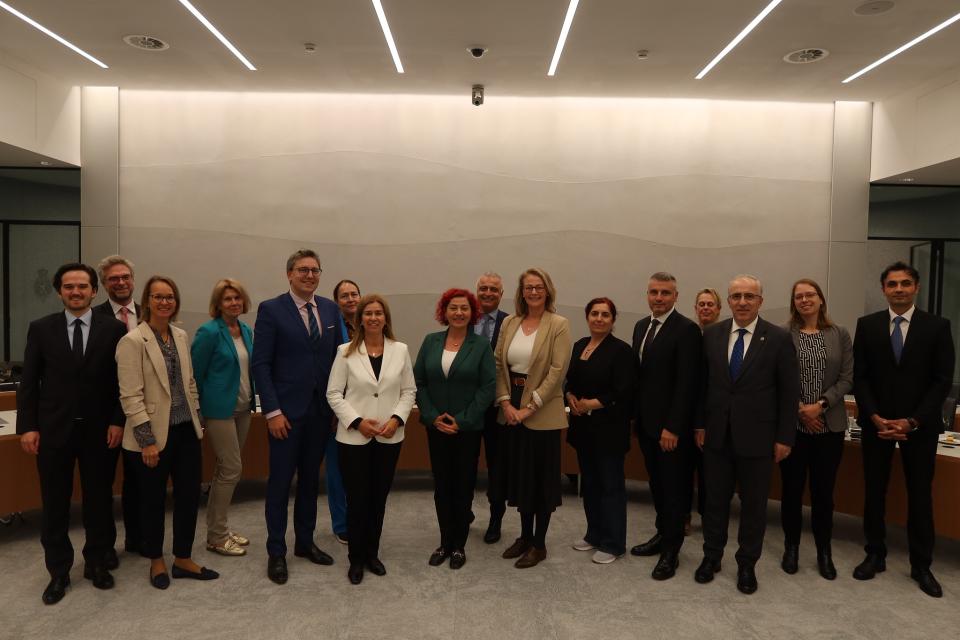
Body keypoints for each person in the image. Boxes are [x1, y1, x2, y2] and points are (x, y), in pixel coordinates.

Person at [17, 263, 127, 605]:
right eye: (69, 287)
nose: (76, 292)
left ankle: (96, 563)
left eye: (82, 286)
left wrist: (117, 420)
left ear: (94, 291)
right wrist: (28, 426)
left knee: (98, 501)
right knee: (55, 505)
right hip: (53, 432)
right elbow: (29, 383)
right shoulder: (41, 329)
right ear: (60, 291)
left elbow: (121, 382)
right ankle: (59, 571)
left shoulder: (113, 330)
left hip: (100, 432)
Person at [852, 261, 955, 598]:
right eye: (892, 284)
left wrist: (913, 421)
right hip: (877, 425)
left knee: (920, 496)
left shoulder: (937, 327)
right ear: (883, 289)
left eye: (905, 283)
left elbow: (942, 381)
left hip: (919, 427)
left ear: (916, 287)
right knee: (874, 491)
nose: (899, 289)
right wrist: (875, 416)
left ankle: (921, 565)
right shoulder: (867, 326)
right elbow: (861, 377)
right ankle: (875, 554)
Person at [694, 274, 798, 595]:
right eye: (736, 296)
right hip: (716, 437)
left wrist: (784, 438)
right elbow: (701, 385)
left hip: (759, 440)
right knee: (714, 502)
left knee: (753, 507)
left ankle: (746, 564)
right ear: (729, 300)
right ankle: (711, 556)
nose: (742, 302)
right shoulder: (712, 334)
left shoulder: (778, 338)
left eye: (748, 297)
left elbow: (788, 392)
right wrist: (699, 425)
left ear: (760, 301)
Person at [117, 275, 218, 589]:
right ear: (147, 301)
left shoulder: (181, 335)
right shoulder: (133, 341)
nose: (165, 302)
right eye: (158, 297)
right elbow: (130, 397)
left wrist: (197, 416)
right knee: (152, 500)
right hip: (151, 437)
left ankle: (183, 558)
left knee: (189, 496)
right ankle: (156, 561)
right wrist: (147, 441)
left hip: (185, 431)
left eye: (170, 297)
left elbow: (189, 383)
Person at [252, 249, 344, 584]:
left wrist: (336, 409)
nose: (309, 275)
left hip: (320, 414)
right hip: (285, 416)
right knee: (279, 484)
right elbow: (260, 364)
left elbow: (338, 363)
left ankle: (304, 543)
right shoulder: (271, 310)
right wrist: (272, 411)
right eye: (302, 270)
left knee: (309, 483)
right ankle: (276, 551)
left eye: (314, 270)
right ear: (289, 274)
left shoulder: (331, 310)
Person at [327, 294, 416, 584]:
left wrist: (396, 419)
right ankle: (355, 559)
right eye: (368, 314)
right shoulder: (345, 352)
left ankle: (372, 554)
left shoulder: (400, 350)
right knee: (357, 500)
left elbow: (408, 391)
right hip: (354, 438)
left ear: (386, 318)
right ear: (360, 319)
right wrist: (357, 422)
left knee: (378, 499)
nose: (374, 318)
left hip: (389, 436)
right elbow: (334, 394)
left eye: (379, 313)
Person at [494, 267, 571, 569]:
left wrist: (530, 407)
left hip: (543, 414)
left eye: (539, 287)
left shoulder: (559, 324)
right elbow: (498, 363)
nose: (534, 292)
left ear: (547, 290)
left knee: (542, 481)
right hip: (511, 410)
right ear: (521, 292)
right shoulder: (510, 322)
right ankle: (525, 536)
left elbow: (557, 370)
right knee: (522, 479)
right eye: (528, 287)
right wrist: (505, 403)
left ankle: (539, 544)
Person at [414, 289, 496, 570]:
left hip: (467, 429)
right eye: (453, 308)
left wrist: (462, 420)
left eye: (464, 308)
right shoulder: (430, 341)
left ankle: (459, 545)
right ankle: (444, 541)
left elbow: (488, 387)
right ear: (444, 312)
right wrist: (432, 416)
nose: (459, 313)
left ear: (472, 312)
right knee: (442, 487)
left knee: (462, 487)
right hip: (436, 427)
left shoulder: (481, 345)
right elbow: (420, 382)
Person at [779, 279, 853, 580]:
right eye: (799, 296)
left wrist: (819, 405)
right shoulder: (783, 335)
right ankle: (791, 548)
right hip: (793, 429)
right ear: (793, 302)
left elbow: (848, 378)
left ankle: (824, 552)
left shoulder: (840, 334)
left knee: (823, 494)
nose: (805, 300)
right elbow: (777, 378)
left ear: (821, 300)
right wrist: (800, 409)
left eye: (810, 295)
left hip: (828, 427)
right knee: (791, 492)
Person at [630, 273, 702, 580]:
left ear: (676, 296)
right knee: (657, 486)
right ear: (647, 294)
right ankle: (662, 535)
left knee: (674, 490)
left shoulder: (686, 330)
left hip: (671, 431)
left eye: (665, 293)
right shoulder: (641, 327)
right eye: (654, 292)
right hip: (646, 426)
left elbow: (688, 384)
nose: (659, 298)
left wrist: (673, 427)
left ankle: (672, 551)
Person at [565, 297, 635, 565]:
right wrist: (570, 396)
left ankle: (614, 543)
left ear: (613, 320)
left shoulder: (621, 351)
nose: (599, 318)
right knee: (591, 485)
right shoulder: (580, 345)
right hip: (584, 429)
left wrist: (590, 404)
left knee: (611, 487)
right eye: (594, 313)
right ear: (587, 317)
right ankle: (594, 534)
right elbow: (570, 380)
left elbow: (624, 390)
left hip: (609, 431)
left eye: (605, 314)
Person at [191, 279, 256, 557]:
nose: (234, 303)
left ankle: (219, 530)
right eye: (228, 299)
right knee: (231, 469)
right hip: (218, 411)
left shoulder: (245, 330)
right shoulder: (208, 332)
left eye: (238, 298)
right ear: (218, 304)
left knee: (224, 470)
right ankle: (217, 537)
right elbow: (195, 374)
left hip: (243, 408)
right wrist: (199, 411)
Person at [94, 254, 141, 563]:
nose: (121, 282)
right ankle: (105, 546)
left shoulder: (152, 313)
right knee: (102, 484)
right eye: (113, 278)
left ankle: (138, 539)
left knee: (139, 482)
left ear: (133, 280)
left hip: (143, 415)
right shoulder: (93, 318)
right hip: (106, 417)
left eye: (125, 277)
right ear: (103, 284)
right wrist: (115, 417)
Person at [326, 279, 361, 545]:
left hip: (368, 407)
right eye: (344, 296)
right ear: (337, 301)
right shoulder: (330, 328)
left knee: (361, 470)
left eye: (354, 294)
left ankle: (362, 518)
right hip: (337, 408)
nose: (350, 299)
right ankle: (341, 523)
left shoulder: (372, 322)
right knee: (337, 470)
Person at [474, 272, 509, 543]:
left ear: (501, 293)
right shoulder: (462, 318)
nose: (488, 293)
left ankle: (496, 519)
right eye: (483, 288)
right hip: (468, 408)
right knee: (464, 464)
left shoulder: (511, 323)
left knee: (498, 466)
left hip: (497, 407)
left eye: (493, 289)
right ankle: (463, 513)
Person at [685, 288, 722, 533]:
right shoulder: (688, 335)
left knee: (711, 473)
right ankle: (683, 516)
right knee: (684, 471)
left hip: (713, 418)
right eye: (701, 304)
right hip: (685, 417)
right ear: (695, 309)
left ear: (719, 309)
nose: (706, 308)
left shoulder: (724, 337)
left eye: (710, 304)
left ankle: (709, 517)